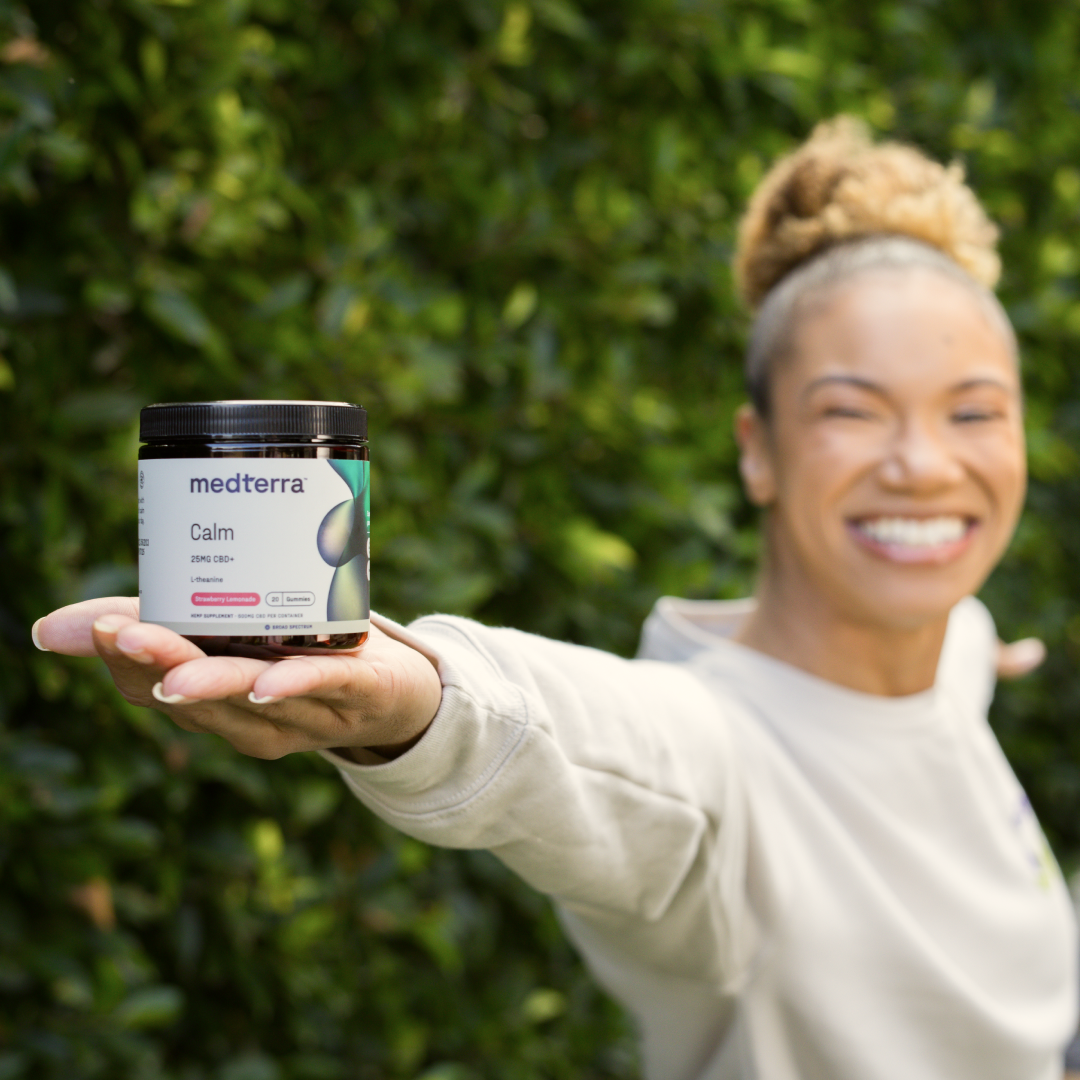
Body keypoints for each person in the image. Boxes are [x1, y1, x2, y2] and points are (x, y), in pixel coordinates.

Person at [33, 118, 1078, 1080]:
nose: (924, 466)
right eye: (854, 412)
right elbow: (591, 745)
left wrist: (968, 657)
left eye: (974, 413)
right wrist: (422, 703)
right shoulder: (721, 772)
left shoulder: (941, 654)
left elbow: (918, 687)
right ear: (756, 452)